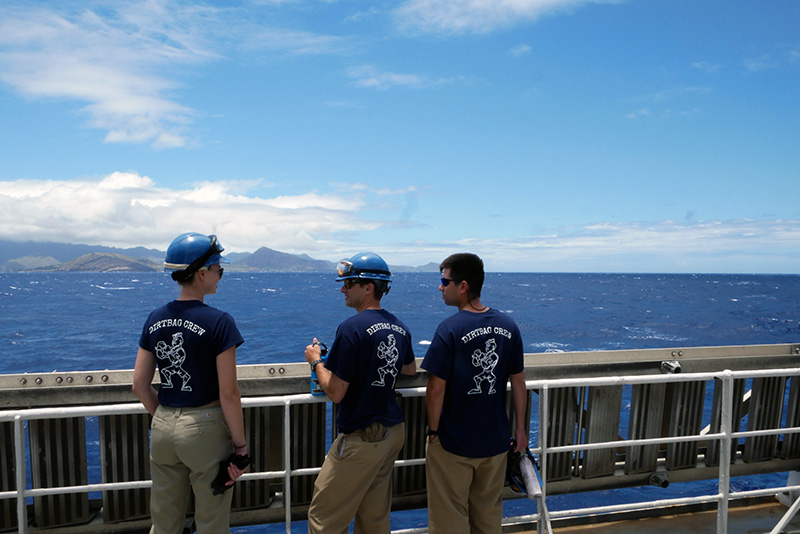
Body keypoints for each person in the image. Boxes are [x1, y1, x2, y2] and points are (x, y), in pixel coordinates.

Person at [132, 232, 248, 534]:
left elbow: (140, 385)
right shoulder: (220, 321)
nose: (220, 275)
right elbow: (229, 392)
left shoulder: (154, 318)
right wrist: (241, 446)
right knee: (211, 520)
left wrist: (166, 419)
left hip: (163, 426)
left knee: (164, 520)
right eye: (218, 269)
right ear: (201, 273)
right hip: (204, 428)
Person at [304, 252, 417, 534]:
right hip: (392, 433)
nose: (343, 288)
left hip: (362, 438)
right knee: (374, 518)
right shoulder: (399, 327)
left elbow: (336, 392)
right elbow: (410, 369)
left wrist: (316, 361)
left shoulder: (351, 328)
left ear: (369, 288)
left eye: (349, 283)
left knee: (324, 520)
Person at [422, 253, 527, 534]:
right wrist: (520, 430)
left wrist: (433, 433)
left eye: (445, 281)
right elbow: (518, 382)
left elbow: (435, 389)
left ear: (463, 286)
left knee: (449, 519)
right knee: (488, 517)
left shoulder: (450, 329)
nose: (441, 288)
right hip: (495, 443)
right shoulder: (508, 326)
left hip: (454, 443)